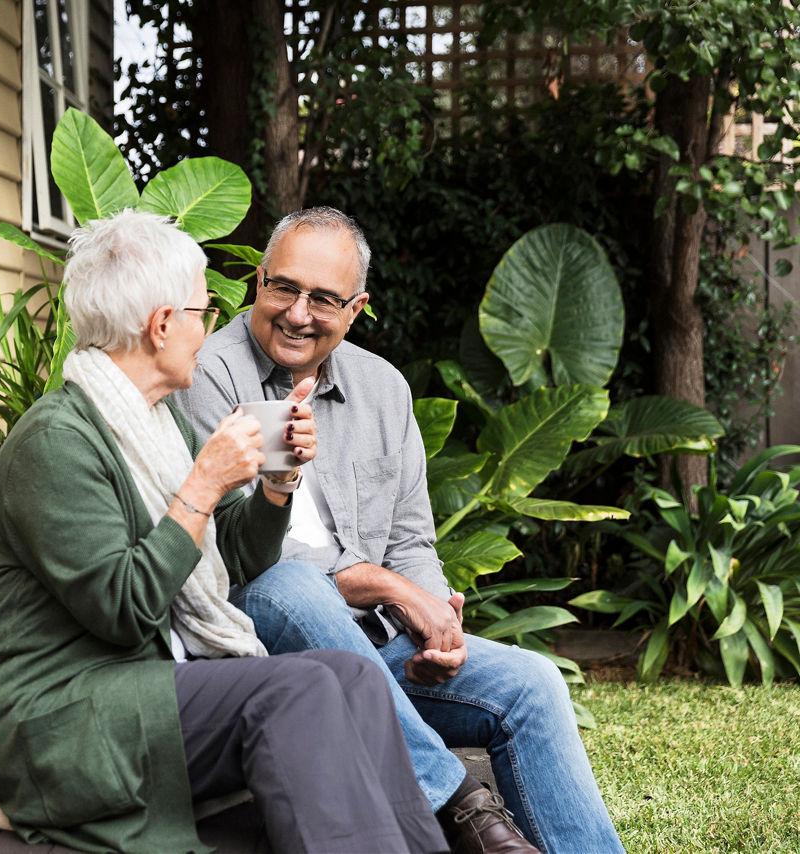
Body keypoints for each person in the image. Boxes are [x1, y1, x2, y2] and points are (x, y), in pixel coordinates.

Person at [0, 209, 447, 854]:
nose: (210, 329)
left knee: (352, 679)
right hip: (57, 714)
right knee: (296, 688)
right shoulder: (56, 441)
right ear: (163, 325)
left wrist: (277, 484)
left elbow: (241, 555)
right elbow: (123, 611)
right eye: (202, 313)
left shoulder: (161, 425)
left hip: (150, 680)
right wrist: (201, 487)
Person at [171, 207, 624, 854]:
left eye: (324, 299)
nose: (298, 313)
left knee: (533, 685)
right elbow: (247, 550)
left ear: (356, 309)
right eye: (284, 288)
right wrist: (384, 585)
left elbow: (411, 538)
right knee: (297, 587)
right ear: (258, 281)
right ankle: (459, 803)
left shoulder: (382, 390)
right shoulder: (212, 374)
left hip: (380, 645)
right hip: (260, 644)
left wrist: (435, 621)